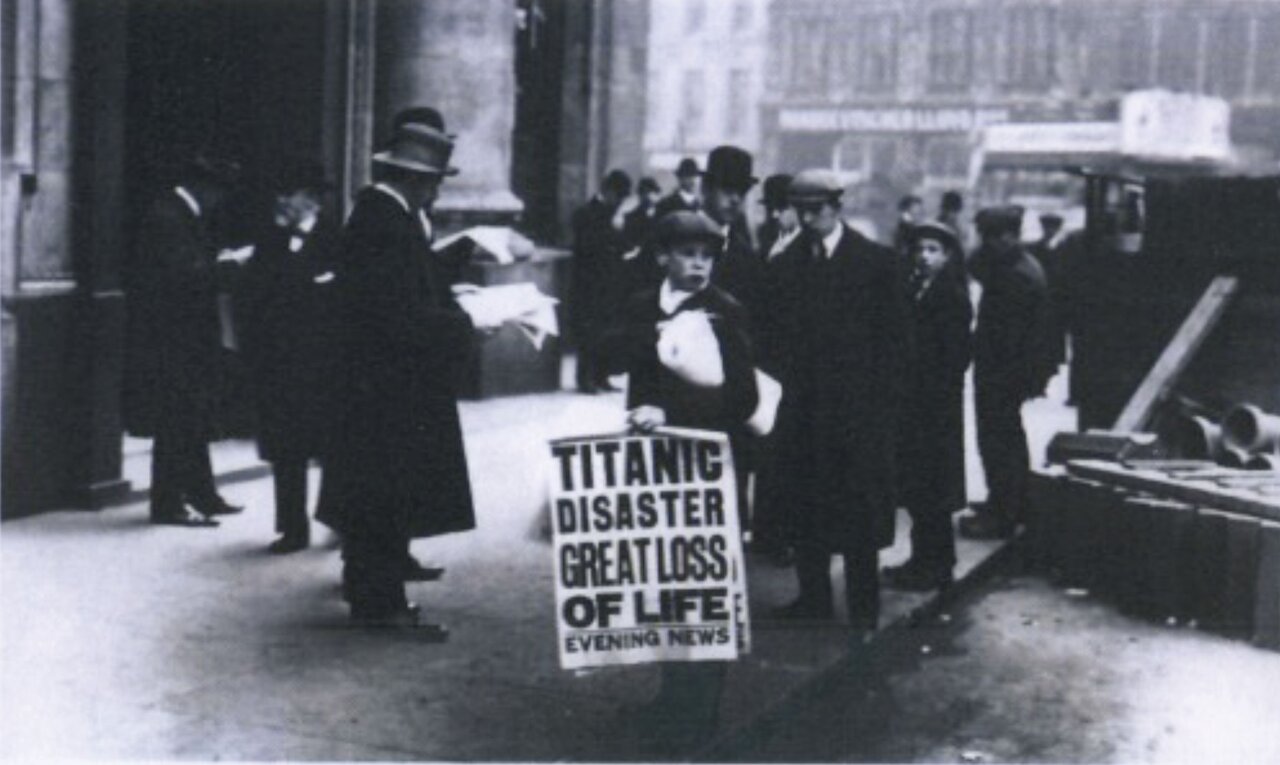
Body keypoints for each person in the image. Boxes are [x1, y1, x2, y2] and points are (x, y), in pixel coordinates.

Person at [325, 114, 477, 632]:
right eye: (434, 182)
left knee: (378, 496)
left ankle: (373, 593)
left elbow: (405, 293)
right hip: (386, 388)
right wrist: (466, 323)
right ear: (417, 180)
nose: (435, 192)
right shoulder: (385, 222)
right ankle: (380, 604)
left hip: (375, 386)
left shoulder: (384, 217)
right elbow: (396, 316)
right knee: (383, 497)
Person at [614, 210, 759, 751]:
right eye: (687, 254)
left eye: (707, 255)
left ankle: (700, 715)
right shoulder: (641, 307)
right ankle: (672, 697)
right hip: (657, 469)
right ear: (661, 257)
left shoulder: (726, 312)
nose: (699, 264)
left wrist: (674, 407)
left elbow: (743, 398)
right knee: (665, 584)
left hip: (709, 469)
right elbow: (619, 361)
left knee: (706, 588)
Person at [761, 169, 908, 638]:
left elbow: (899, 344)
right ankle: (814, 600)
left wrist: (880, 410)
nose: (808, 218)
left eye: (817, 208)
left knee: (859, 517)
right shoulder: (784, 267)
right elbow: (772, 340)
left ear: (837, 205)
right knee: (806, 511)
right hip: (804, 414)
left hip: (857, 417)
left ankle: (863, 610)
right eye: (800, 209)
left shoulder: (878, 263)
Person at [123, 150, 248, 527]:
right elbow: (182, 278)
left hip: (185, 336)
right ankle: (168, 505)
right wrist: (228, 264)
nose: (221, 200)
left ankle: (201, 494)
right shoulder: (168, 217)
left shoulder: (180, 214)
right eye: (220, 191)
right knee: (176, 419)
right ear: (205, 187)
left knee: (193, 416)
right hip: (173, 339)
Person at [238, 159, 339, 554]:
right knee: (286, 449)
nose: (282, 201)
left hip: (323, 361)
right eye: (280, 193)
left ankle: (339, 521)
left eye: (290, 193)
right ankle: (292, 528)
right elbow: (255, 297)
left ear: (312, 200)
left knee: (333, 448)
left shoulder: (336, 238)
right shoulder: (269, 239)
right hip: (279, 361)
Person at [883, 222, 972, 591]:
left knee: (933, 489)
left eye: (933, 250)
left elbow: (955, 356)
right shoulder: (915, 289)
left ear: (948, 256)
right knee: (920, 489)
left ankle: (937, 565)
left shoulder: (951, 296)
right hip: (916, 406)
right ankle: (923, 559)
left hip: (935, 408)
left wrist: (925, 383)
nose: (924, 256)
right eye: (920, 249)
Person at [960, 206, 1055, 541]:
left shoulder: (1015, 276)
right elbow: (974, 264)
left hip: (1004, 371)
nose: (984, 244)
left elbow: (1007, 336)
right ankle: (1009, 503)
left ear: (1007, 236)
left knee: (999, 440)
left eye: (989, 237)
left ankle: (1003, 513)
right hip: (1007, 370)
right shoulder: (1017, 265)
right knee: (1006, 437)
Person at [570, 169, 633, 393]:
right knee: (589, 332)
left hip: (609, 283)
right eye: (619, 197)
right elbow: (589, 249)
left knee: (606, 332)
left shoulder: (612, 217)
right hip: (589, 284)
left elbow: (622, 246)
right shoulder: (585, 214)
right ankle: (584, 378)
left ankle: (601, 375)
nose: (620, 202)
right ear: (608, 191)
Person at [757, 173, 799, 260]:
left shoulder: (809, 246)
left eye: (781, 208)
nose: (774, 215)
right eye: (770, 208)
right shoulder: (765, 239)